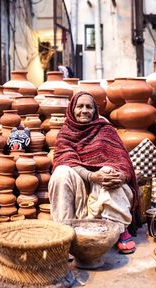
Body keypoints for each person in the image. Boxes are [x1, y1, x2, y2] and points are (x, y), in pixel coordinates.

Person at [49, 92, 140, 254]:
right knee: (61, 172)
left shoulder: (105, 130)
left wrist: (122, 175)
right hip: (81, 198)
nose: (84, 111)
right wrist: (91, 176)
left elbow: (122, 159)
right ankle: (64, 234)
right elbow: (64, 159)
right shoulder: (65, 133)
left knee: (109, 170)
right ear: (72, 109)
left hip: (106, 194)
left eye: (89, 107)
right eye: (80, 106)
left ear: (95, 110)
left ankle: (118, 229)